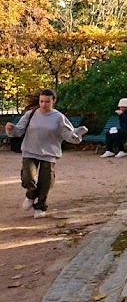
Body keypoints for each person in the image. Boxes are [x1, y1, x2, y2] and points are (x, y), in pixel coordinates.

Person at [4, 89, 88, 218]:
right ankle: (31, 194)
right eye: (41, 101)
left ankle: (40, 206)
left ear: (53, 101)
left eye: (47, 102)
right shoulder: (30, 114)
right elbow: (19, 131)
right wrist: (11, 129)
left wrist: (77, 134)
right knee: (28, 178)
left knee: (46, 181)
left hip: (49, 152)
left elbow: (68, 134)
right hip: (30, 151)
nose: (43, 104)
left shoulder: (58, 117)